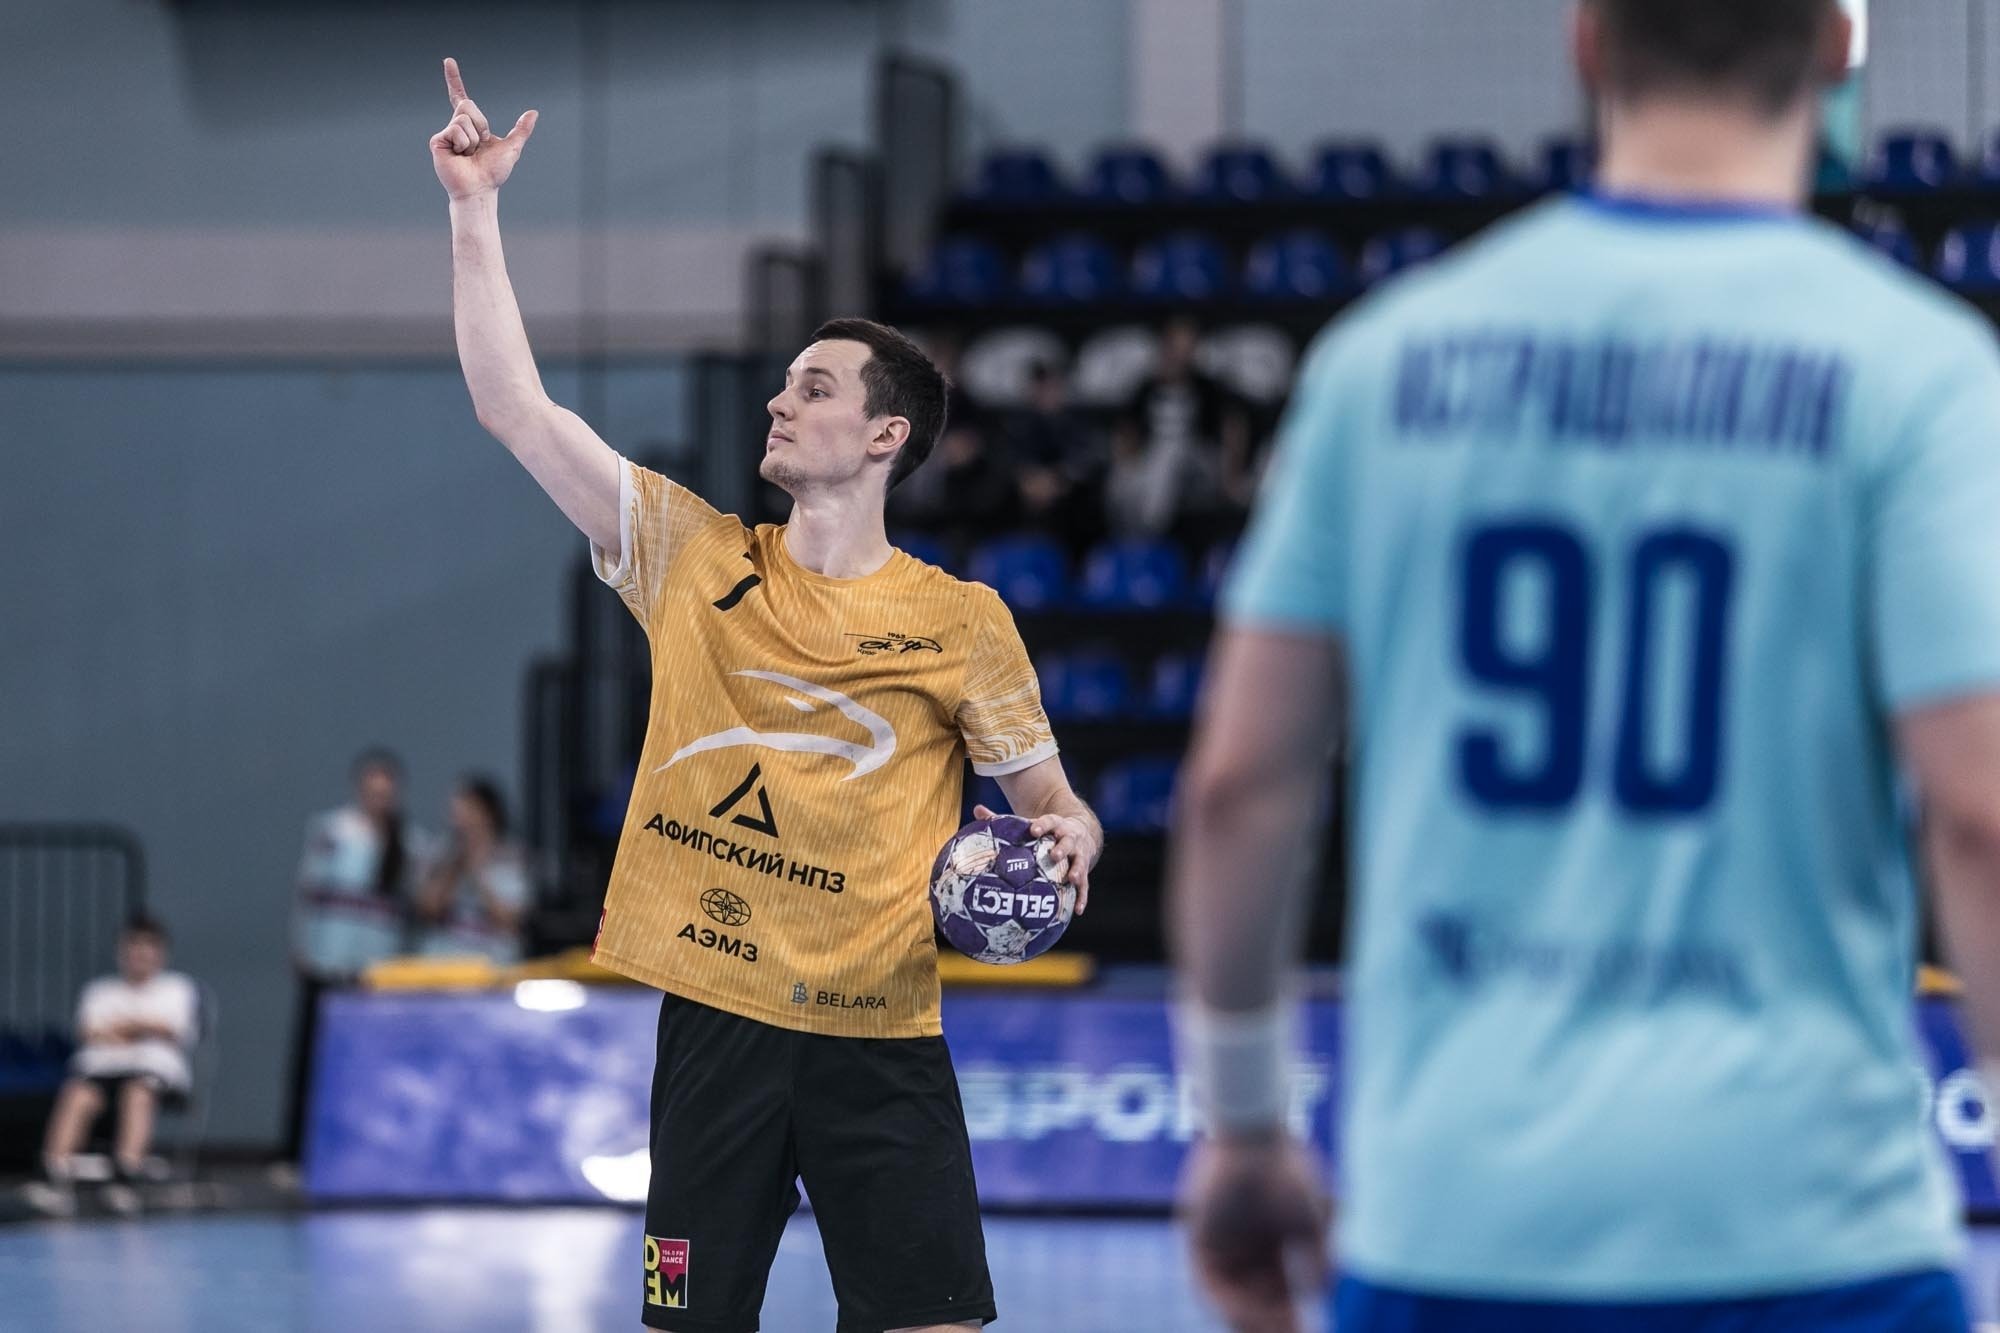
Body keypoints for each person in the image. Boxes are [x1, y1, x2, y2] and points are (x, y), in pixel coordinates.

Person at [1170, 3, 2000, 1331]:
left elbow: (1241, 784)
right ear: (1837, 49)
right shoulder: (1919, 369)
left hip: (1455, 1224)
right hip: (1804, 1222)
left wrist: (1246, 1124)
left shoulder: (1382, 360)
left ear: (1586, 43)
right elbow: (1980, 811)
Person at [430, 58, 1103, 1333]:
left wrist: (1071, 839)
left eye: (813, 387)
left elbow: (1053, 803)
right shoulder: (693, 556)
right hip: (717, 1024)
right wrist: (474, 210)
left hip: (882, 1035)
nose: (778, 401)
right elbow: (514, 407)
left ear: (887, 435)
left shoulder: (963, 620)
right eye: (784, 383)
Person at [283, 747, 425, 1165]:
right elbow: (308, 892)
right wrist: (302, 944)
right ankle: (297, 1153)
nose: (378, 799)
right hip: (327, 960)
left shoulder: (410, 843)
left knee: (369, 1061)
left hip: (378, 969)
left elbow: (414, 908)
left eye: (386, 792)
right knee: (312, 1058)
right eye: (371, 790)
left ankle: (362, 1151)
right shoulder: (331, 830)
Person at [33, 917, 197, 1211]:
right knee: (77, 1094)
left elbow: (170, 1029)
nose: (139, 954)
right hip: (101, 1070)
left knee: (137, 1093)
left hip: (153, 1072)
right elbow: (90, 1032)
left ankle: (126, 1176)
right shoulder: (99, 991)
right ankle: (54, 1174)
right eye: (133, 946)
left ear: (160, 952)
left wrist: (124, 1028)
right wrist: (140, 1027)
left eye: (147, 947)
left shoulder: (177, 988)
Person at [1107, 317, 1254, 543]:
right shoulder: (1146, 388)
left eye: (1188, 346)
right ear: (1165, 347)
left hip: (1201, 464)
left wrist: (1232, 474)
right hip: (1152, 465)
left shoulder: (1207, 387)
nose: (1182, 353)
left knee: (1172, 453)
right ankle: (1118, 540)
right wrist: (1127, 463)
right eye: (1177, 346)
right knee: (1120, 477)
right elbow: (1126, 431)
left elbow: (1234, 426)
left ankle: (1150, 531)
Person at [416, 776, 531, 964]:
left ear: (487, 813)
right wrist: (456, 866)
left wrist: (477, 875)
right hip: (444, 965)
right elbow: (428, 909)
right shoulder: (442, 852)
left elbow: (510, 920)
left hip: (493, 965)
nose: (460, 819)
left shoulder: (512, 857)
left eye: (468, 810)